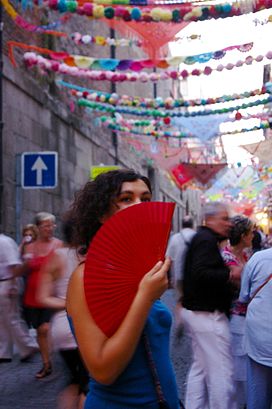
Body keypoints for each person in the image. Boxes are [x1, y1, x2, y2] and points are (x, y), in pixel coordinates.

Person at [66, 169, 180, 409]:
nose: (140, 205)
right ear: (102, 214)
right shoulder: (85, 277)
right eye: (126, 199)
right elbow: (104, 371)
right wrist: (145, 297)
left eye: (146, 199)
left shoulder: (142, 269)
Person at [180, 201, 238, 409]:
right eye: (224, 219)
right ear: (210, 219)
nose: (228, 223)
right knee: (222, 373)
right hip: (207, 315)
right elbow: (201, 273)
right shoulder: (205, 240)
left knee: (200, 368)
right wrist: (230, 273)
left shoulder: (203, 238)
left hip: (197, 313)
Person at [38, 220, 89, 409]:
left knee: (74, 381)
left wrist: (66, 303)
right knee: (88, 386)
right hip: (84, 329)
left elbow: (42, 297)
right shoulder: (90, 255)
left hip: (61, 329)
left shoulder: (56, 257)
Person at [23, 212, 63, 378]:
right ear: (38, 227)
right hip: (33, 294)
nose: (50, 228)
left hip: (51, 294)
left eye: (52, 225)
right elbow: (23, 268)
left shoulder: (58, 245)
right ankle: (46, 363)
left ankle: (54, 353)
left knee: (44, 328)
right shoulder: (29, 246)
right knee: (40, 331)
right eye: (46, 225)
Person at [221, 215, 254, 408]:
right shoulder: (228, 259)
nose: (253, 236)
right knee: (238, 363)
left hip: (246, 317)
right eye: (250, 232)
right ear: (243, 236)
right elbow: (244, 288)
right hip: (235, 318)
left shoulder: (246, 255)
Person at [239, 247, 272, 409]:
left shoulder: (258, 258)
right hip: (261, 335)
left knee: (258, 392)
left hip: (260, 335)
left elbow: (244, 295)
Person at [0, 233, 37, 363]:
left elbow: (14, 264)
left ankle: (28, 346)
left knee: (11, 317)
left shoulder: (3, 242)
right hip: (4, 281)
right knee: (2, 320)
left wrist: (13, 285)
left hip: (8, 281)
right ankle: (4, 352)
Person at [166, 215, 196, 290]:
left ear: (181, 225)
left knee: (180, 299)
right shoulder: (197, 237)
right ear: (192, 225)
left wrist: (171, 277)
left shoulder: (174, 238)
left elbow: (169, 259)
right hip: (194, 275)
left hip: (178, 275)